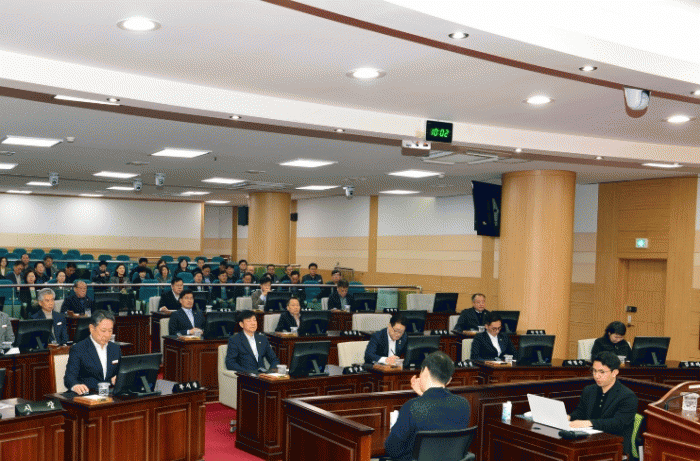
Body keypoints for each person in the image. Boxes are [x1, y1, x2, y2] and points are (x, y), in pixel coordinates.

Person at [384, 351, 471, 461]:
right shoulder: (463, 404)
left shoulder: (412, 407)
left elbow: (392, 449)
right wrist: (423, 395)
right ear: (449, 380)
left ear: (425, 371)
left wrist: (422, 398)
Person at [569, 352, 638, 458]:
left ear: (614, 372)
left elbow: (618, 423)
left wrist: (589, 423)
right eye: (594, 371)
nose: (597, 376)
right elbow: (581, 411)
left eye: (602, 372)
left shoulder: (627, 396)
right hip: (589, 440)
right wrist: (569, 417)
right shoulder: (589, 390)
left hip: (614, 446)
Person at [64, 310, 121, 395]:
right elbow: (69, 378)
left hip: (110, 396)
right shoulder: (78, 349)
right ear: (91, 328)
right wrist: (75, 386)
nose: (107, 335)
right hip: (88, 395)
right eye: (103, 330)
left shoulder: (115, 348)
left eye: (110, 331)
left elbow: (120, 372)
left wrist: (118, 378)